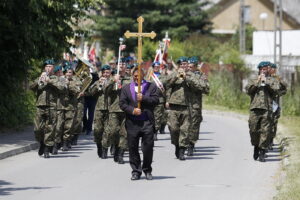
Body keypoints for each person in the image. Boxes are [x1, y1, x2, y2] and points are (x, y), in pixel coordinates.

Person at [119, 68, 159, 180]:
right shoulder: (126, 88)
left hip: (147, 122)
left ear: (144, 75)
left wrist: (144, 98)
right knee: (133, 147)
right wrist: (132, 110)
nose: (137, 78)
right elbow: (122, 103)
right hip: (132, 122)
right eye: (135, 76)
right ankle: (136, 171)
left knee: (148, 148)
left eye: (140, 76)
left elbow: (156, 100)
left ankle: (147, 170)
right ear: (133, 76)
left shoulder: (151, 87)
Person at [165, 56, 205, 160]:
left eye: (185, 64)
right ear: (179, 65)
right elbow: (165, 84)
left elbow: (201, 86)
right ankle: (177, 145)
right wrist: (175, 76)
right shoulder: (174, 74)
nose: (184, 66)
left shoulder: (193, 75)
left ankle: (182, 150)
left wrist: (188, 78)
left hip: (188, 106)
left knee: (185, 129)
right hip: (174, 106)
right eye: (181, 64)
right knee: (174, 129)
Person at [245, 61, 280, 162]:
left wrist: (267, 82)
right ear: (259, 70)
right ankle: (256, 146)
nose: (264, 71)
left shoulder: (272, 80)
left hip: (267, 108)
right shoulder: (253, 79)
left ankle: (262, 152)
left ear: (268, 70)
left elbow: (276, 90)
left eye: (265, 69)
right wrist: (257, 82)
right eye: (262, 69)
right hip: (254, 109)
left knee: (265, 131)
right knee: (253, 130)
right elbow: (248, 90)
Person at [30, 59, 62, 158]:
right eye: (47, 66)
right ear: (45, 68)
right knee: (37, 129)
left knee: (50, 128)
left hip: (51, 106)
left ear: (53, 68)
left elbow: (62, 88)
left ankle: (47, 149)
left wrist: (50, 81)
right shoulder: (41, 77)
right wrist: (39, 80)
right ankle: (42, 143)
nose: (48, 68)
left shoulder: (56, 78)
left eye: (50, 66)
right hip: (40, 105)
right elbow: (31, 87)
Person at [102, 61, 131, 164]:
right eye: (120, 64)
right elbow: (104, 90)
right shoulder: (111, 78)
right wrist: (113, 81)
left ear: (126, 66)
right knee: (113, 131)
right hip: (114, 109)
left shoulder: (130, 79)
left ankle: (120, 154)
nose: (122, 66)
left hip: (126, 109)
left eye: (123, 64)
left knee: (125, 133)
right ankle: (114, 145)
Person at [186, 56, 209, 156]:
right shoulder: (182, 74)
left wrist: (192, 79)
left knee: (194, 126)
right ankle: (183, 144)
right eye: (188, 67)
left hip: (195, 105)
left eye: (191, 67)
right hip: (183, 104)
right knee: (183, 125)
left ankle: (191, 145)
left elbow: (206, 88)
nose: (189, 68)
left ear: (195, 67)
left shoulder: (201, 76)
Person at [89, 65, 111, 158]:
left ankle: (105, 149)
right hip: (99, 109)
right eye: (104, 72)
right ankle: (99, 145)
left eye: (108, 73)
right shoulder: (97, 82)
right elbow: (91, 92)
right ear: (102, 73)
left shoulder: (113, 82)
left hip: (110, 109)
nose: (106, 74)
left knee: (108, 131)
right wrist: (98, 85)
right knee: (98, 130)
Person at [268, 63, 287, 149]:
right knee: (266, 123)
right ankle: (265, 141)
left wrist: (279, 81)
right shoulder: (265, 78)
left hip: (275, 104)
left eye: (274, 69)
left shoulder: (278, 78)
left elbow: (284, 90)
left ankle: (271, 140)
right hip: (266, 104)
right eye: (272, 68)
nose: (273, 70)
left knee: (274, 123)